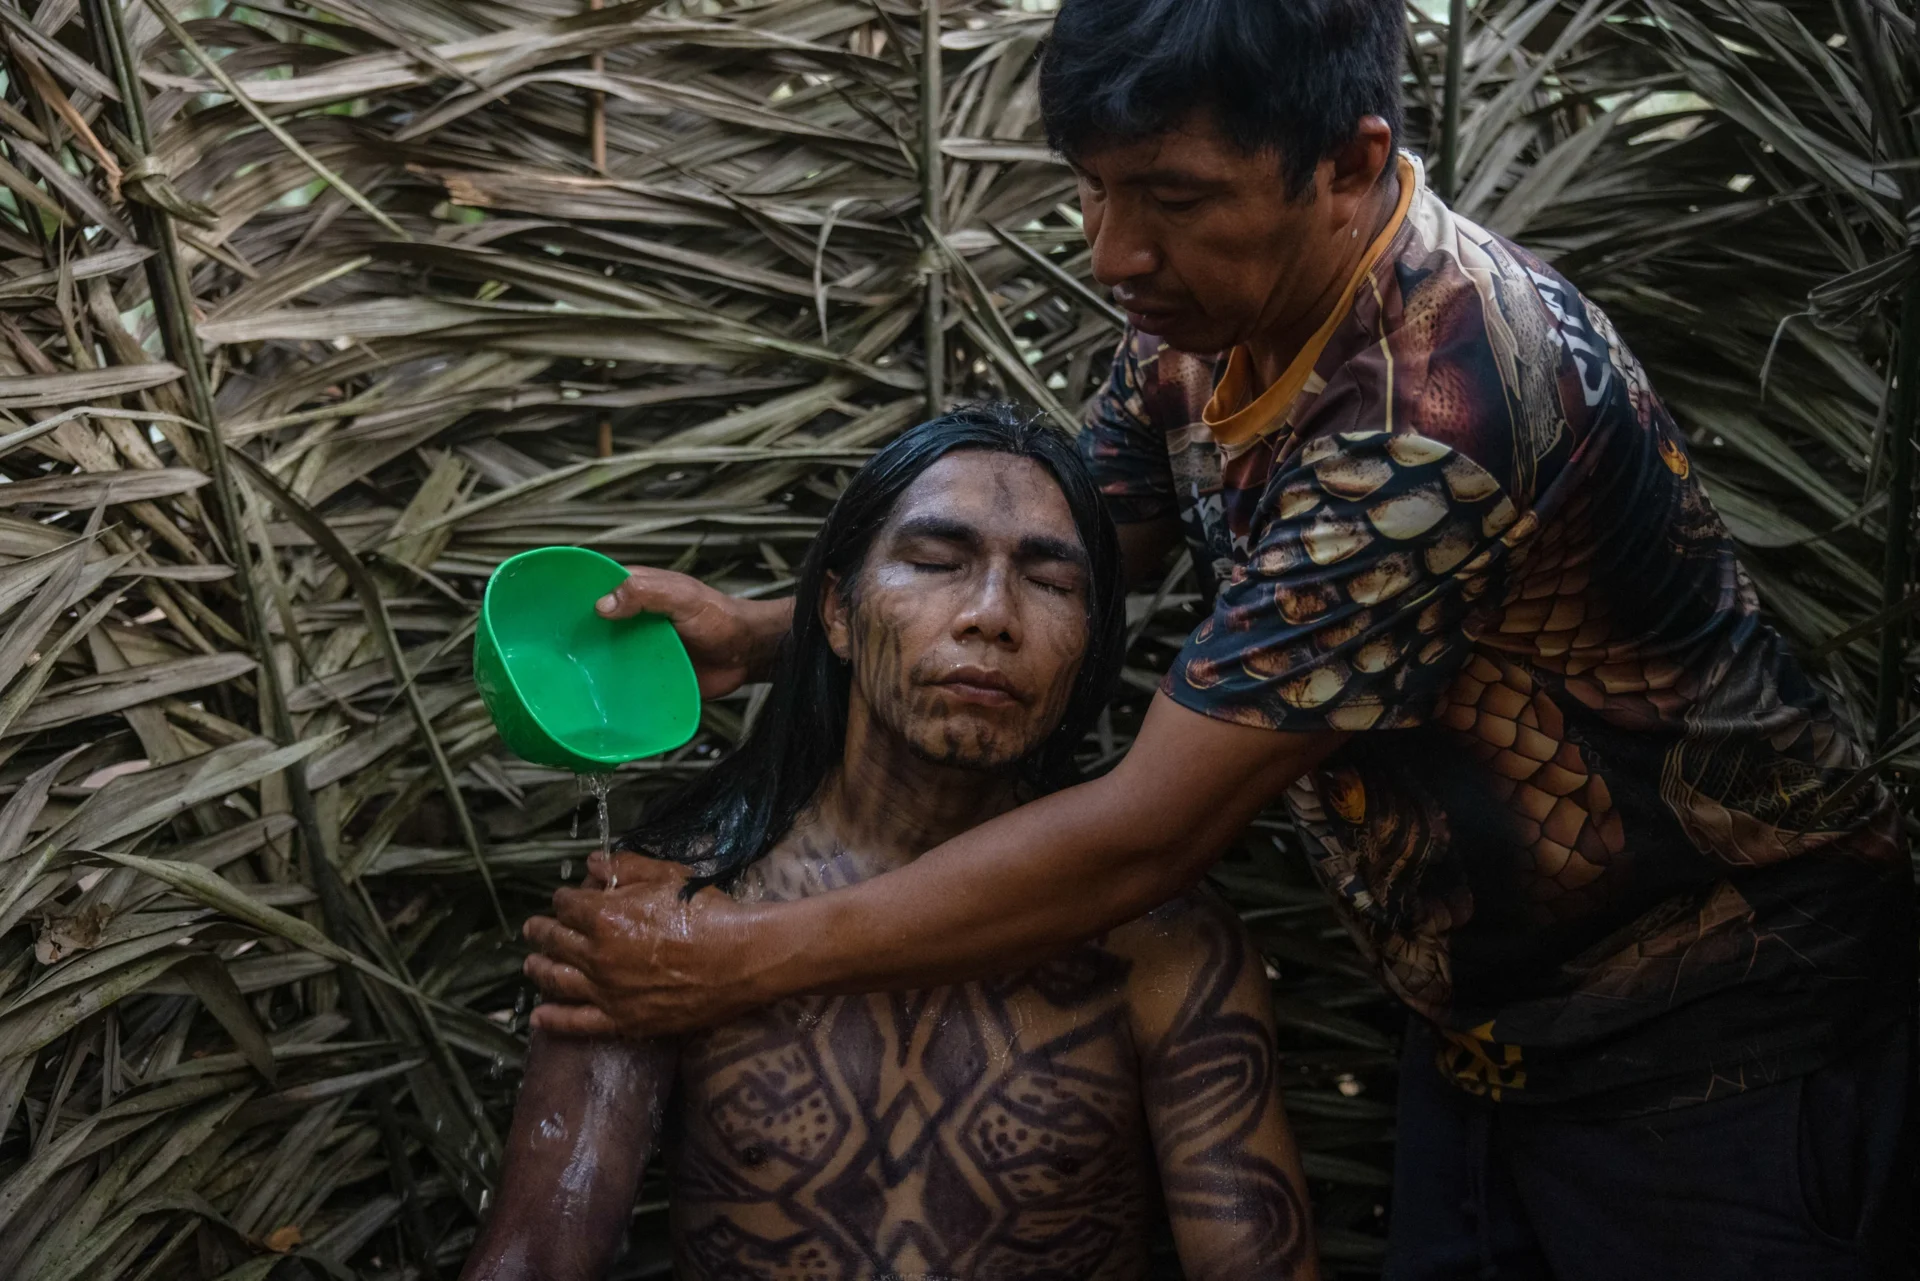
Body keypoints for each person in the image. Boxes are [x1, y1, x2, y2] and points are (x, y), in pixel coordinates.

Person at [523, 1, 1916, 1276]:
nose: (1115, 252)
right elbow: (1091, 546)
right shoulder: (1206, 315)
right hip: (1499, 1044)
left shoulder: (1439, 413)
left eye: (1173, 198)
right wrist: (771, 633)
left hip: (1729, 1047)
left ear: (1349, 165)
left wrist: (733, 961)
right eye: (1094, 189)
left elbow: (1147, 834)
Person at [473, 408, 1318, 1281]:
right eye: (935, 562)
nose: (992, 615)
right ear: (835, 613)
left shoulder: (1165, 949)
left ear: (1089, 649)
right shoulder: (663, 918)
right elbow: (539, 1255)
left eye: (1050, 582)